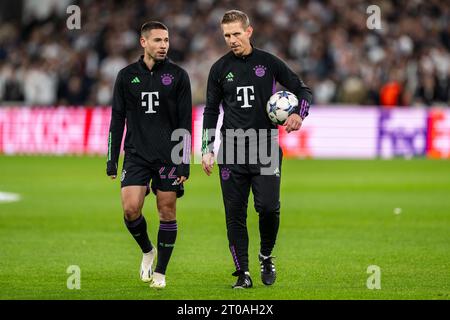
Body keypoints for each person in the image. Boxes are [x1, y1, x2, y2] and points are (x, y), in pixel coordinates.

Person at [201, 10, 312, 289]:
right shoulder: (218, 69)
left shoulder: (268, 62)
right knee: (234, 214)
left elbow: (303, 90)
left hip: (265, 146)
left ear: (249, 31)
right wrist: (207, 148)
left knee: (267, 207)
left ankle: (265, 255)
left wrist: (299, 113)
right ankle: (243, 273)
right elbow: (211, 111)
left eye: (237, 33)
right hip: (232, 151)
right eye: (227, 35)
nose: (232, 40)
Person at [106, 21, 192, 289]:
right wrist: (112, 158)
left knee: (166, 211)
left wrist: (184, 162)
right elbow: (117, 119)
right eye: (157, 40)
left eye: (166, 40)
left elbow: (185, 122)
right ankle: (147, 250)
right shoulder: (126, 76)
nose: (163, 45)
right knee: (131, 209)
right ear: (143, 42)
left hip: (168, 157)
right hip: (136, 155)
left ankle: (161, 273)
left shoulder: (178, 76)